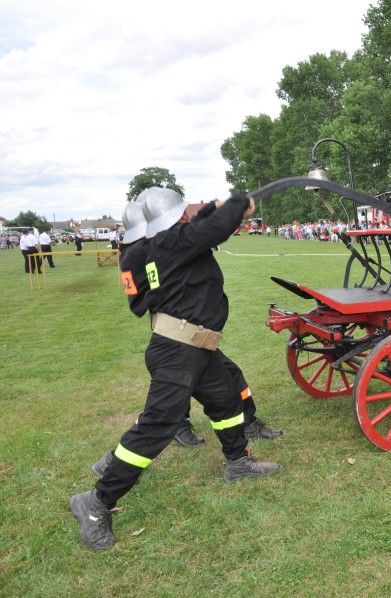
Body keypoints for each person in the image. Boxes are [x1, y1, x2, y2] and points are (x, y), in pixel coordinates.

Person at [69, 188, 278, 551]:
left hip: (196, 347)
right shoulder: (169, 243)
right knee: (159, 425)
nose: (187, 217)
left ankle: (237, 462)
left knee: (227, 400)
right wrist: (238, 202)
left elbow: (196, 232)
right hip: (178, 351)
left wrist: (209, 211)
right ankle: (96, 502)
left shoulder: (157, 248)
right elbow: (212, 230)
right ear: (173, 217)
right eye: (182, 212)